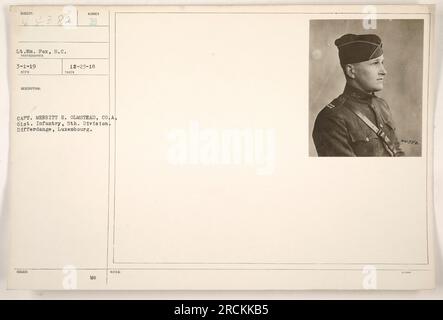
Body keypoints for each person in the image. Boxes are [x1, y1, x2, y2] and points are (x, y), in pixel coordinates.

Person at [312, 33, 404, 157]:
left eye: (382, 63)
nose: (384, 71)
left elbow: (397, 152)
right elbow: (348, 173)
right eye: (375, 63)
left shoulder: (382, 105)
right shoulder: (331, 119)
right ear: (351, 71)